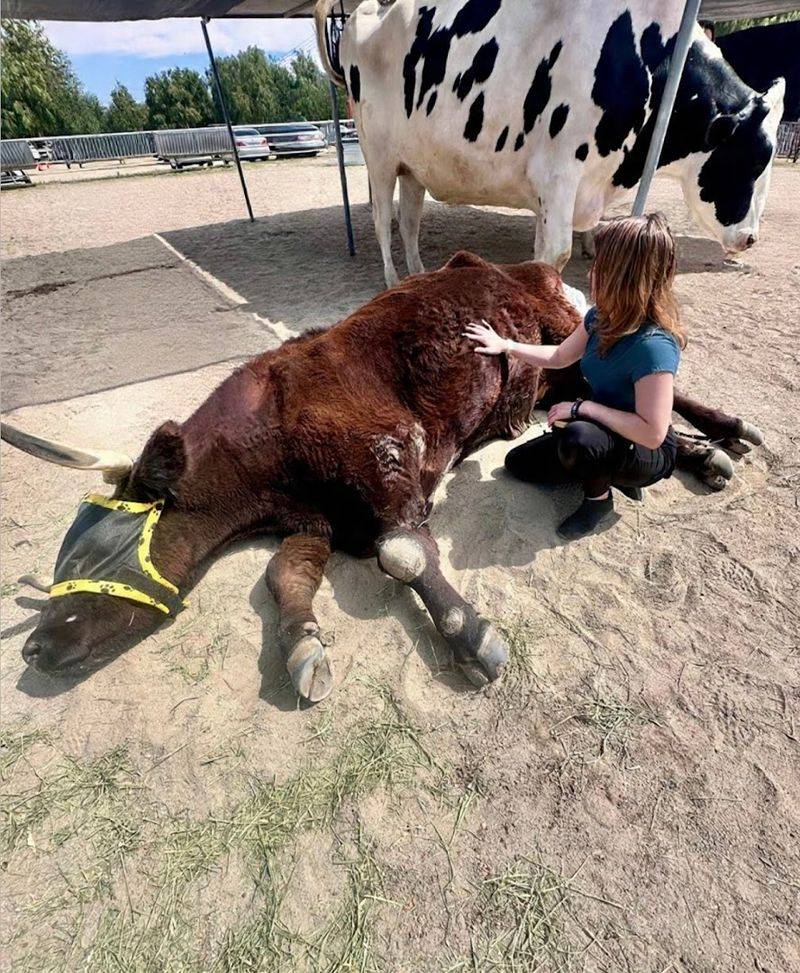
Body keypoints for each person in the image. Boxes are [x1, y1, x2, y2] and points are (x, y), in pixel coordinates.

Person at [464, 212, 686, 541]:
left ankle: (599, 501)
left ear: (627, 277)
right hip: (604, 432)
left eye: (602, 267)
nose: (592, 273)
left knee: (579, 439)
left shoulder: (654, 347)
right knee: (518, 465)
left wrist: (583, 408)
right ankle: (606, 470)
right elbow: (558, 356)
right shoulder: (600, 318)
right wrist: (505, 345)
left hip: (644, 449)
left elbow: (652, 433)